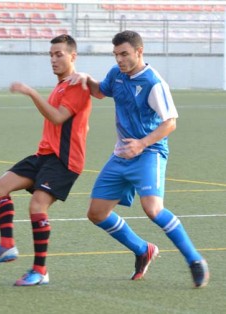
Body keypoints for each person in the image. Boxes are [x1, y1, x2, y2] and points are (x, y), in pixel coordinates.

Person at [69, 30, 209, 288]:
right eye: (116, 55)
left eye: (124, 54)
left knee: (153, 209)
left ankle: (195, 260)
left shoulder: (154, 82)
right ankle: (143, 249)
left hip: (149, 153)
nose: (120, 59)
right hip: (121, 155)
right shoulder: (116, 74)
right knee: (97, 213)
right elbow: (100, 91)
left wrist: (142, 143)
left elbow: (170, 123)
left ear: (139, 52)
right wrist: (85, 79)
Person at [0, 34, 92, 286]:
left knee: (37, 207)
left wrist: (30, 92)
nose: (53, 59)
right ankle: (7, 246)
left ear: (73, 56)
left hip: (64, 160)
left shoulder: (76, 87)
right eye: (50, 55)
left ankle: (40, 271)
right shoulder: (62, 85)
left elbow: (58, 118)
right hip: (44, 156)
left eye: (59, 54)